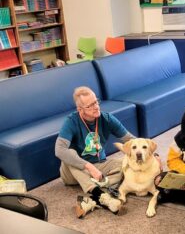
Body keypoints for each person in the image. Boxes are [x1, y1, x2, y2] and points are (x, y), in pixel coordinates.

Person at [55, 86, 135, 218]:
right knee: (70, 153)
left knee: (126, 164)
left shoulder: (106, 119)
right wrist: (89, 167)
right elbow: (59, 150)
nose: (96, 107)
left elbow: (130, 140)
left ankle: (93, 199)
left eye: (96, 102)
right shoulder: (71, 121)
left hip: (99, 166)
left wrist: (151, 153)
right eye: (90, 105)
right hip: (74, 173)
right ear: (80, 109)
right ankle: (100, 194)